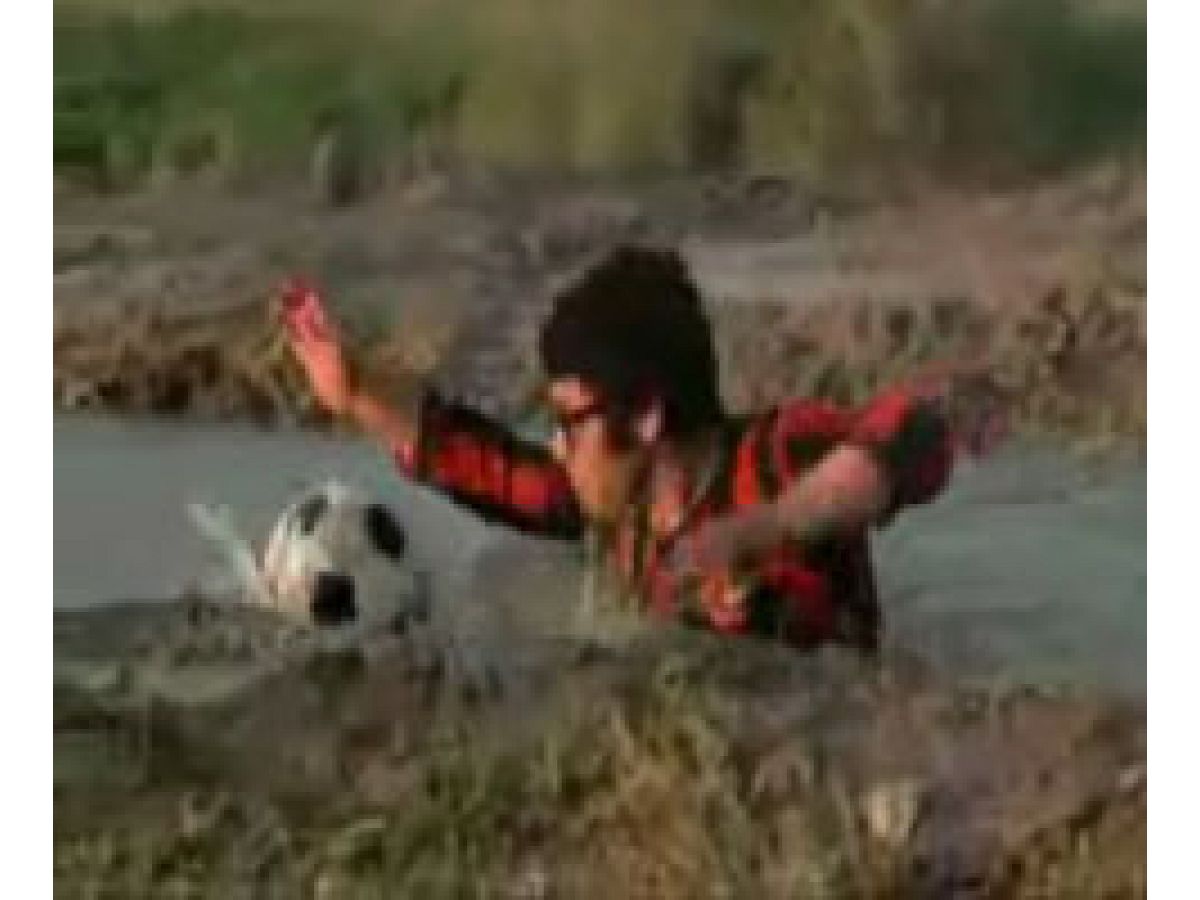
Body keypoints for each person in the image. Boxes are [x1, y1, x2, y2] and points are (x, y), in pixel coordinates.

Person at [281, 246, 953, 651]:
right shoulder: (620, 513)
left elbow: (916, 431)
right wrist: (356, 392)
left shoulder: (775, 456)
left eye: (570, 423)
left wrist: (767, 527)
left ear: (646, 417)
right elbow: (488, 468)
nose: (558, 446)